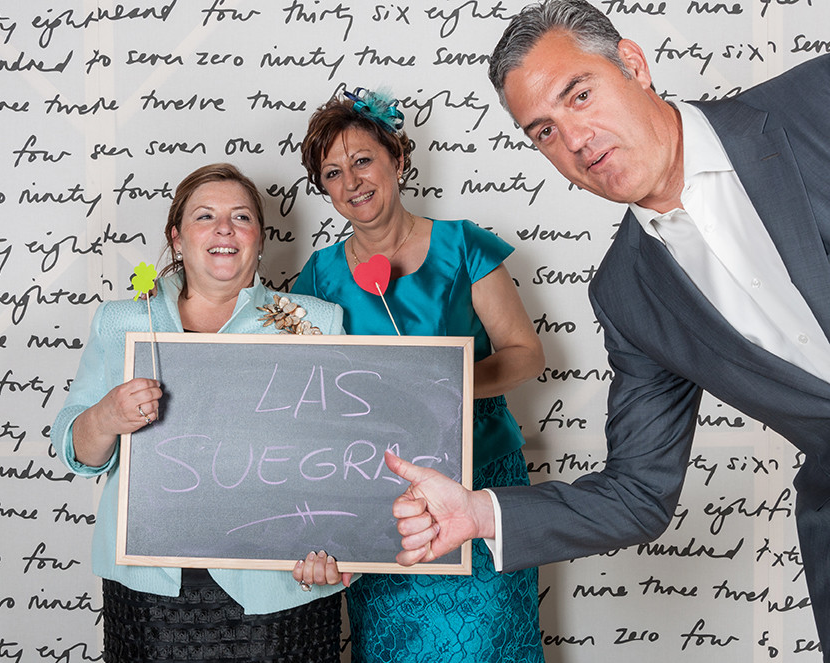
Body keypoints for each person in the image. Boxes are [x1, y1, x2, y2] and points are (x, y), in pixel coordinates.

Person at [384, 0, 830, 654]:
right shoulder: (626, 294)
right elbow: (638, 493)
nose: (574, 139)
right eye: (544, 131)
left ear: (633, 64)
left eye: (580, 94)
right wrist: (480, 512)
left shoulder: (814, 100)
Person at [51, 163, 350, 663]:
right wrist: (106, 417)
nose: (224, 229)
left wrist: (340, 544)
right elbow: (74, 447)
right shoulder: (121, 321)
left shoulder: (315, 322)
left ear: (259, 237)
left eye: (241, 217)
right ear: (177, 237)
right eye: (205, 216)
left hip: (280, 587)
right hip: (151, 592)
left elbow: (348, 456)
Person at [290, 88, 547, 662]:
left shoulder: (464, 246)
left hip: (480, 479)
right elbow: (307, 394)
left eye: (362, 160)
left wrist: (445, 388)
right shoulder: (318, 277)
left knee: (486, 644)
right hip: (379, 497)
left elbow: (525, 353)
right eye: (333, 173)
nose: (352, 182)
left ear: (398, 159)